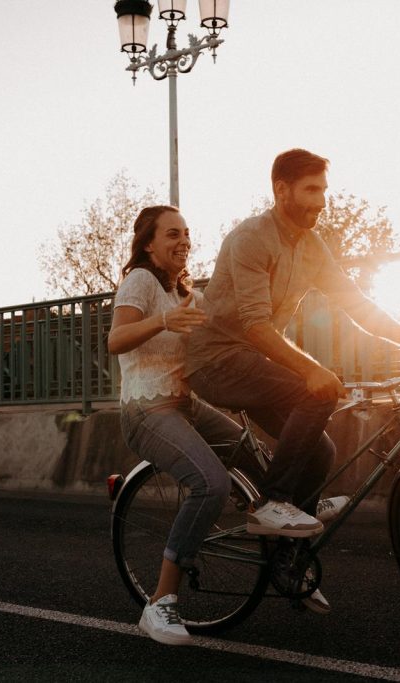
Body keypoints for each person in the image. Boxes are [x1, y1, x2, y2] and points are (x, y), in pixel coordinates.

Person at [185, 148, 400, 613]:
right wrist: (312, 368)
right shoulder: (250, 239)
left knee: (320, 450)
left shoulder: (311, 245)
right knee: (316, 388)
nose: (321, 201)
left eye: (324, 189)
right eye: (311, 190)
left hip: (252, 363)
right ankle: (272, 502)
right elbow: (255, 325)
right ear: (281, 190)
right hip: (216, 360)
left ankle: (287, 561)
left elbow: (356, 303)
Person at [108, 205, 243, 646]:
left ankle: (289, 551)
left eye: (187, 233)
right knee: (211, 483)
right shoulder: (141, 281)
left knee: (247, 449)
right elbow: (116, 340)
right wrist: (162, 320)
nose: (184, 240)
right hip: (147, 409)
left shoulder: (187, 293)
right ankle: (160, 603)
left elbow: (226, 328)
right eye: (172, 234)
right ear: (149, 243)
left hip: (187, 405)